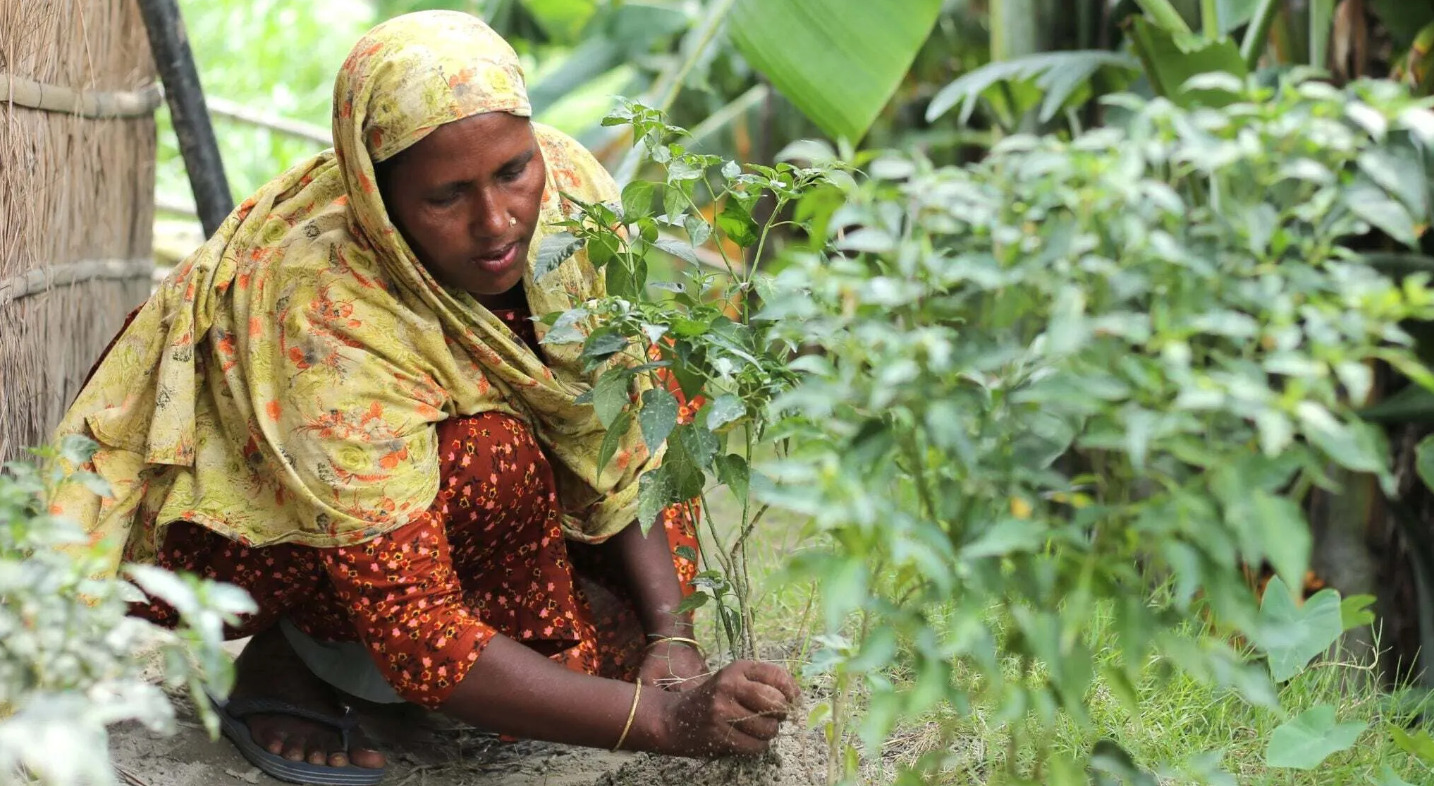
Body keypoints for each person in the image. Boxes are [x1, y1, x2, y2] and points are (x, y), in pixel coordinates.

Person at [53, 10, 798, 785]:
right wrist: (667, 722)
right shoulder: (326, 307)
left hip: (435, 511)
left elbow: (628, 430)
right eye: (447, 196)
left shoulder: (572, 198)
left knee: (653, 391)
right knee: (490, 461)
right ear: (379, 198)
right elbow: (420, 629)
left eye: (513, 171)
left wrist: (671, 641)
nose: (497, 221)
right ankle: (296, 657)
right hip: (247, 541)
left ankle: (378, 665)